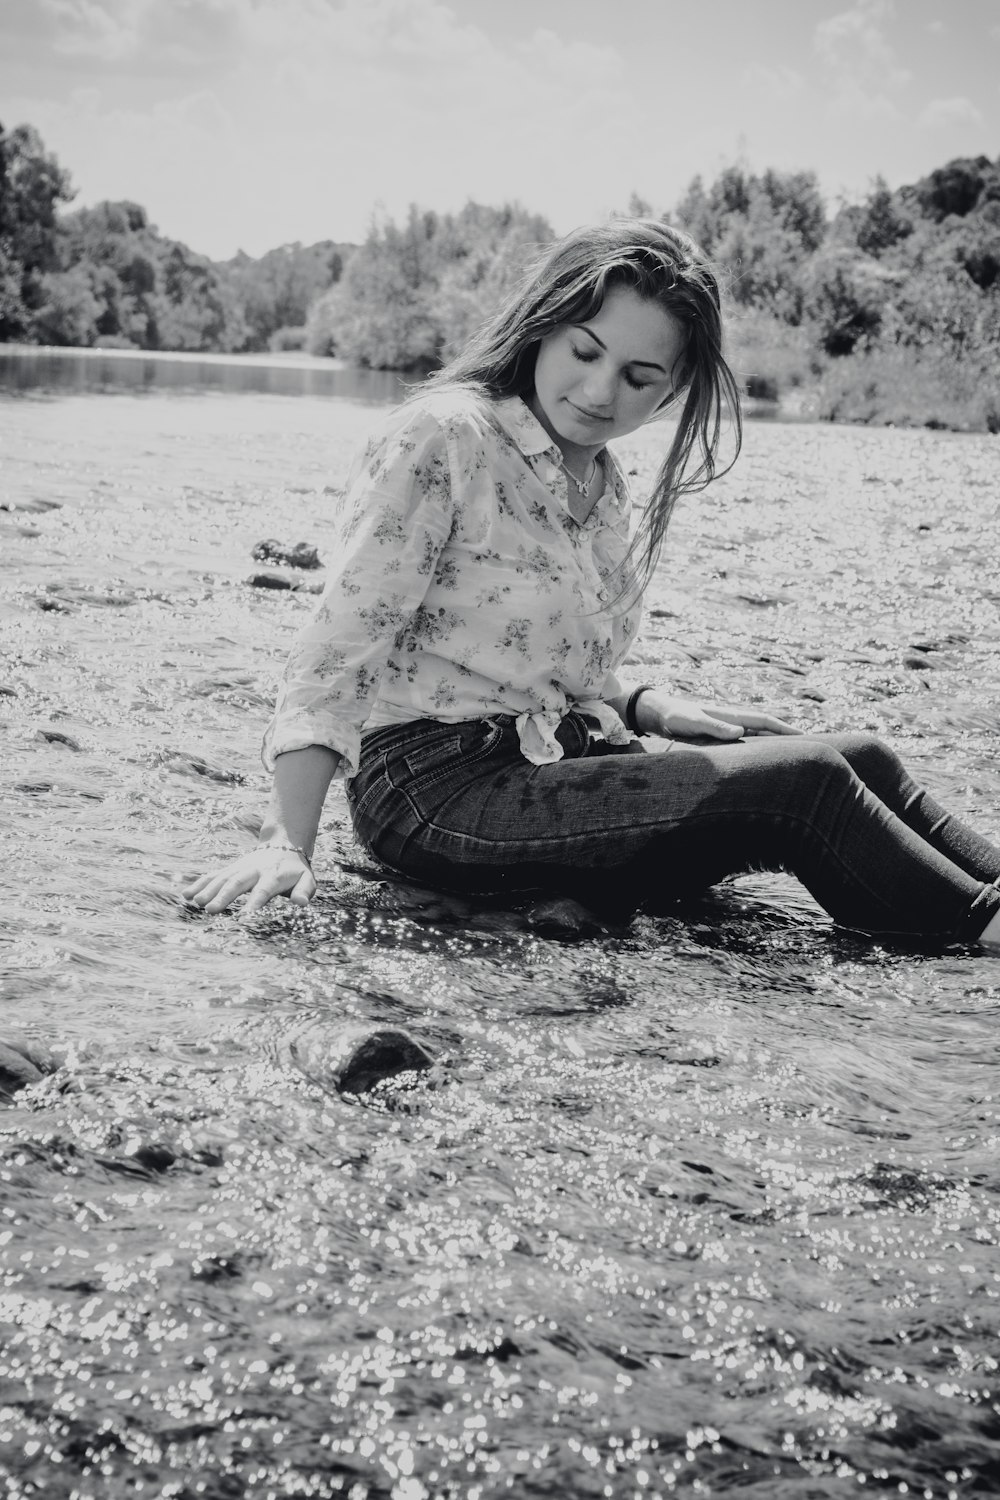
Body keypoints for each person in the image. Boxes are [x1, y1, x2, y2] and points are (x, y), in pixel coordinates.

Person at [183, 219, 1000, 950]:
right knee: (806, 787)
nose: (602, 392)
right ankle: (984, 938)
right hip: (433, 791)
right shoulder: (447, 437)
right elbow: (338, 647)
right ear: (542, 327)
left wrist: (646, 705)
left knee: (862, 755)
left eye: (641, 377)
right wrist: (287, 842)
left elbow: (535, 649)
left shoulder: (600, 479)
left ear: (672, 389)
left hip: (546, 756)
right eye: (584, 351)